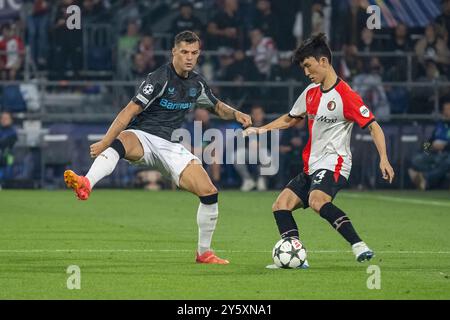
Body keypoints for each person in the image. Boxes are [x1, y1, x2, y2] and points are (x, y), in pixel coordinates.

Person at [63, 31, 252, 264]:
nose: (189, 58)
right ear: (174, 52)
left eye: (194, 53)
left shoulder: (198, 83)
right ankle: (86, 182)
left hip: (171, 147)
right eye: (184, 52)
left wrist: (236, 114)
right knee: (122, 141)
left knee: (209, 192)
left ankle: (204, 253)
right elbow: (129, 111)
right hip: (143, 136)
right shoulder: (159, 78)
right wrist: (104, 141)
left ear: (199, 54)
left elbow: (216, 106)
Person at [243, 34, 394, 267]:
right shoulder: (311, 92)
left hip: (335, 162)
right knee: (280, 206)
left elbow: (374, 127)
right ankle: (296, 258)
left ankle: (358, 245)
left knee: (316, 200)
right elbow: (291, 118)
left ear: (323, 61)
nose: (306, 72)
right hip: (312, 165)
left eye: (308, 66)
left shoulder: (346, 96)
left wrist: (384, 158)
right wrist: (261, 130)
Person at [408, 100, 450, 190]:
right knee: (417, 159)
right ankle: (424, 177)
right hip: (434, 153)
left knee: (447, 162)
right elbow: (429, 141)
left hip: (446, 154)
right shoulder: (440, 125)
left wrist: (444, 147)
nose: (446, 112)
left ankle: (424, 177)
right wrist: (427, 150)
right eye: (445, 109)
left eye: (448, 109)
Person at [0, 111, 17, 187]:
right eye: (2, 118)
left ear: (11, 120)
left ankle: (6, 182)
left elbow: (8, 143)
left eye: (6, 118)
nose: (3, 120)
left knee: (8, 158)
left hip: (9, 155)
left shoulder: (13, 132)